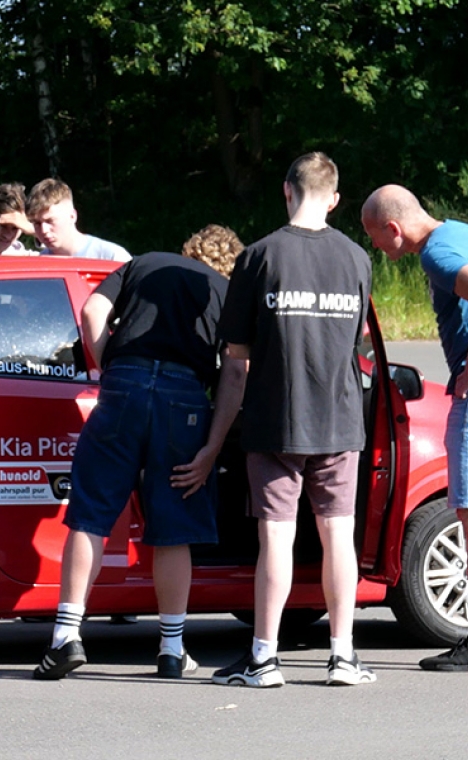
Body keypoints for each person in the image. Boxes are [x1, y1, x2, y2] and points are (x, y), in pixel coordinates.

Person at [172, 152, 375, 688]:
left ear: (287, 191)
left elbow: (236, 362)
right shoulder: (357, 258)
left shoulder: (259, 256)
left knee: (276, 542)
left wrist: (216, 441)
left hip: (275, 422)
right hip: (339, 419)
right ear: (334, 198)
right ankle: (343, 656)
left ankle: (264, 658)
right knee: (339, 539)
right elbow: (355, 345)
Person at [32, 243, 240, 681]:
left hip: (125, 383)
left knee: (89, 515)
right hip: (184, 397)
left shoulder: (143, 263)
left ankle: (66, 637)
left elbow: (91, 313)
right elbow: (237, 372)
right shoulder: (223, 290)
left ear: (188, 249)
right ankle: (171, 649)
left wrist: (111, 364)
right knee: (172, 526)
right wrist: (213, 448)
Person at [361, 184, 468, 672]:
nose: (377, 248)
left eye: (375, 237)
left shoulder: (437, 253)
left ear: (393, 228)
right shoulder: (465, 233)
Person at [25, 178, 131, 262]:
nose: (44, 230)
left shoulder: (111, 257)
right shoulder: (41, 263)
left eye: (50, 221)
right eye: (37, 223)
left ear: (72, 216)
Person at [0, 182, 37, 255]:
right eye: (3, 226)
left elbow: (58, 258)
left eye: (15, 228)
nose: (8, 235)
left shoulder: (19, 254)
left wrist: (34, 230)